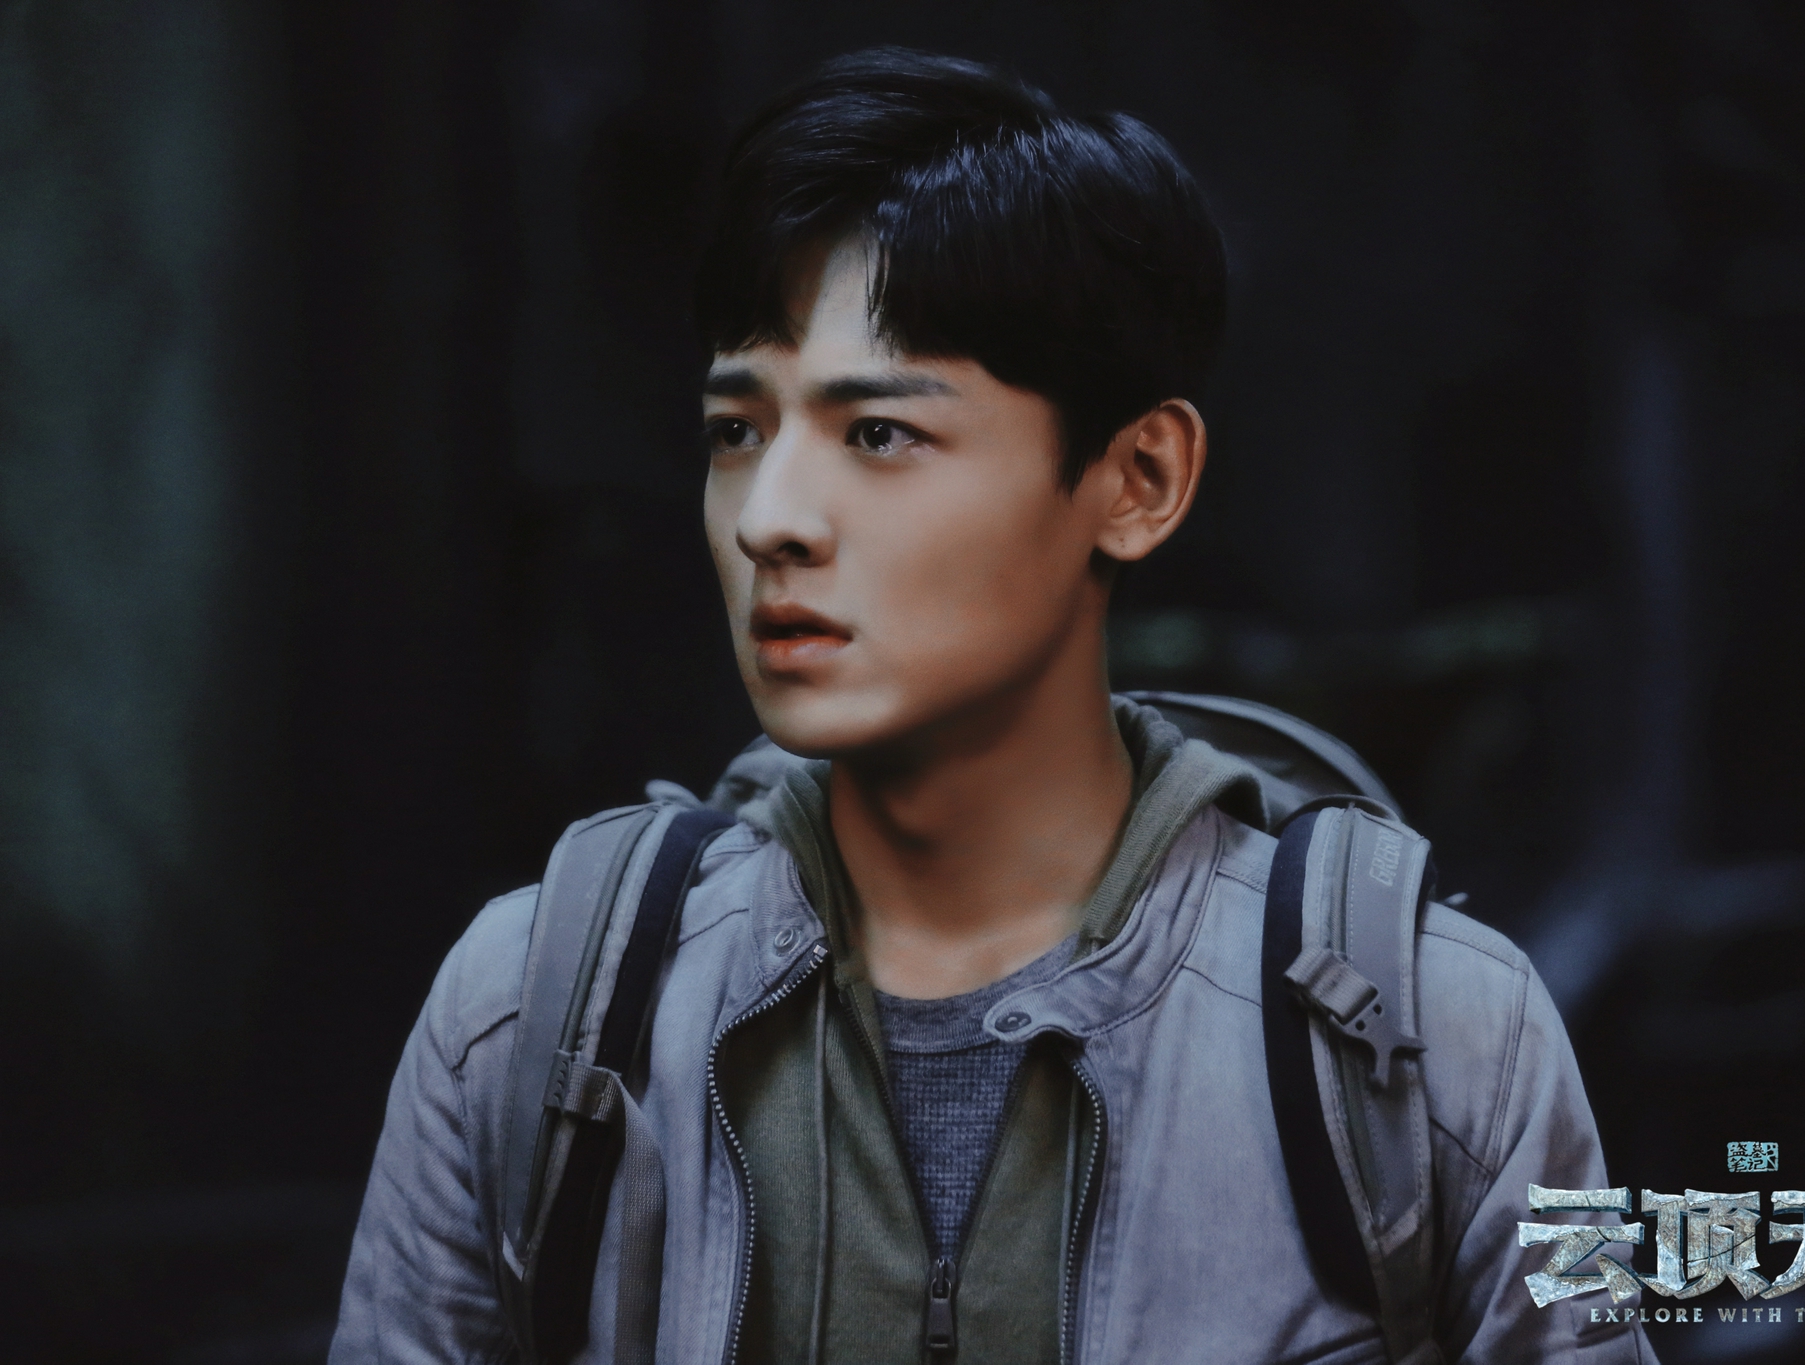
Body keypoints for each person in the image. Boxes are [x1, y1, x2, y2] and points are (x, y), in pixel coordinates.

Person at [331, 47, 1653, 1365]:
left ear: (1139, 478)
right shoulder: (532, 1011)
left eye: (880, 434)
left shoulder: (1445, 1033)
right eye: (739, 431)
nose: (772, 518)